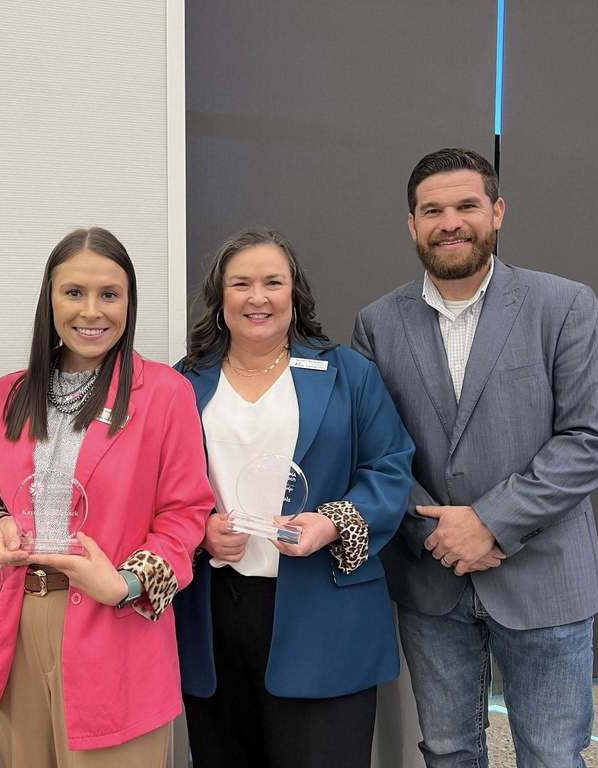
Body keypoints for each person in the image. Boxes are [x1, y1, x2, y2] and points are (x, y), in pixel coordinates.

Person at [352, 148, 598, 767]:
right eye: (433, 210)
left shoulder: (563, 305)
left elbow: (593, 437)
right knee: (447, 753)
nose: (451, 222)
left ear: (497, 212)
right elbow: (376, 446)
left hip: (546, 575)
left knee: (552, 755)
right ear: (412, 224)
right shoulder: (377, 323)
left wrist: (490, 522)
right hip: (431, 576)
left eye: (467, 205)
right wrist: (439, 532)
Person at [174, 227, 414, 768]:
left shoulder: (349, 374)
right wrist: (201, 529)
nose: (257, 297)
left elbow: (391, 468)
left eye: (272, 282)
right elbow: (160, 490)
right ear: (220, 298)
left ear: (294, 293)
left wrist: (331, 523)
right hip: (215, 614)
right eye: (241, 284)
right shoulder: (182, 383)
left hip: (324, 612)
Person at [0, 227, 213, 768]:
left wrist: (126, 583)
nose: (92, 311)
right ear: (49, 300)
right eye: (74, 293)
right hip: (19, 622)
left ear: (129, 302)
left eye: (110, 294)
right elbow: (1, 500)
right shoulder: (8, 394)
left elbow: (185, 514)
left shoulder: (163, 392)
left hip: (115, 623)